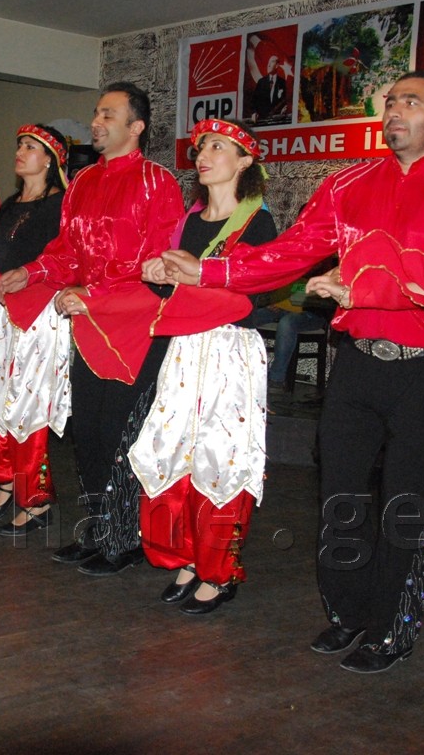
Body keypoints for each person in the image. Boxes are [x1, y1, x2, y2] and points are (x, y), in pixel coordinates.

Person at [160, 71, 424, 670]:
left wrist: (366, 285)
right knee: (341, 492)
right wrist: (209, 272)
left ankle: (391, 622)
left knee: (405, 498)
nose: (396, 111)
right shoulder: (347, 182)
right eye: (391, 101)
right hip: (356, 367)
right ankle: (348, 612)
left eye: (413, 102)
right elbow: (291, 252)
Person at [0, 82, 185, 575]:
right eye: (96, 113)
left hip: (133, 328)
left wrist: (95, 296)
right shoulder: (81, 183)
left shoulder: (156, 182)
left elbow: (157, 266)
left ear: (136, 127)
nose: (96, 122)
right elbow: (65, 254)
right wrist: (30, 272)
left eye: (108, 115)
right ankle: (100, 530)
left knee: (123, 435)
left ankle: (125, 539)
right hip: (86, 325)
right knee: (90, 435)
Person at [132, 118, 277, 613]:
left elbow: (257, 294)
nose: (205, 155)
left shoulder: (257, 221)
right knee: (173, 452)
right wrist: (157, 272)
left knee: (222, 459)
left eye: (218, 146)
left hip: (229, 352)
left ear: (244, 160)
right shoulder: (190, 223)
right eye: (201, 148)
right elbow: (173, 286)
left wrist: (190, 279)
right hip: (185, 351)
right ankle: (187, 556)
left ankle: (219, 570)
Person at [0, 124, 70, 536]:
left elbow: (63, 260)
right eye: (19, 144)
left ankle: (35, 500)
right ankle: (7, 483)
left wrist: (14, 278)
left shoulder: (61, 205)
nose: (20, 152)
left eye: (30, 147)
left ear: (51, 159)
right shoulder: (10, 205)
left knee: (28, 408)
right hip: (2, 313)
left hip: (39, 316)